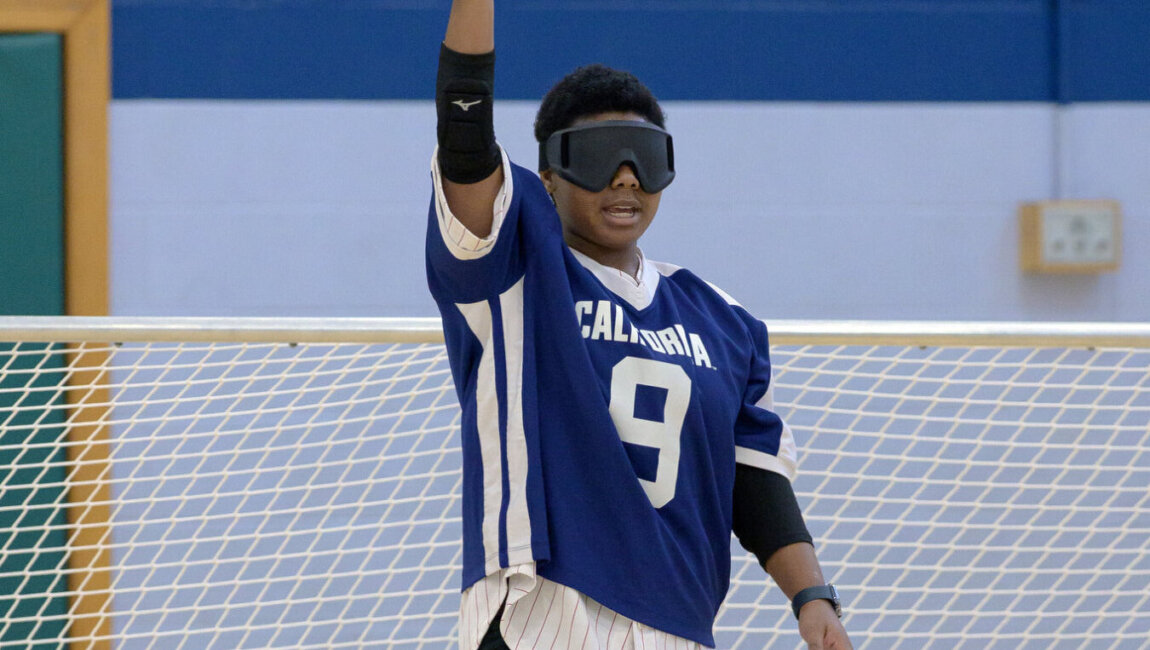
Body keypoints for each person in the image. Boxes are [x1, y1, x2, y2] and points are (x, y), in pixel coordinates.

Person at [425, 1, 854, 648]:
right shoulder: (512, 267)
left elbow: (754, 478)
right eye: (598, 155)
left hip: (679, 619)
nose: (625, 175)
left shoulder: (722, 319)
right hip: (544, 607)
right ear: (548, 178)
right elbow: (465, 138)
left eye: (644, 157)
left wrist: (811, 595)